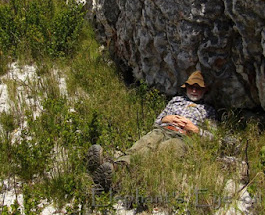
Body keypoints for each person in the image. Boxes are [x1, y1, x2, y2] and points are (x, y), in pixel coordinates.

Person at [86, 71, 217, 191]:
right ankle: (114, 168)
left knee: (164, 150)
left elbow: (212, 138)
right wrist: (167, 118)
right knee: (144, 144)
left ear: (204, 90)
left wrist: (193, 128)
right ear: (186, 87)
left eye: (198, 87)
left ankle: (116, 177)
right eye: (191, 87)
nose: (194, 90)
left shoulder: (208, 110)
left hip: (183, 137)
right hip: (163, 130)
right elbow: (157, 121)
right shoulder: (176, 101)